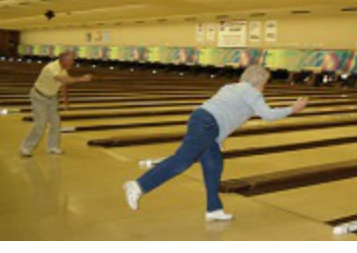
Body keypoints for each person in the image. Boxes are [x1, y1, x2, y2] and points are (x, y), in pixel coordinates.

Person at [123, 65, 309, 221]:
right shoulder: (252, 92)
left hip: (203, 122)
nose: (264, 87)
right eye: (265, 83)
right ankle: (138, 185)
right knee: (182, 161)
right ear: (259, 82)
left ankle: (214, 209)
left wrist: (216, 139)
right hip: (208, 125)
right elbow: (267, 115)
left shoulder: (230, 87)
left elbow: (224, 111)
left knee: (213, 166)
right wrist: (293, 109)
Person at [19, 50, 92, 157]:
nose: (73, 62)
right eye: (72, 60)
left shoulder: (64, 69)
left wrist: (65, 101)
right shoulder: (51, 68)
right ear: (65, 60)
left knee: (56, 123)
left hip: (51, 98)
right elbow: (61, 78)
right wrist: (82, 79)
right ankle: (26, 148)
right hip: (39, 96)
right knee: (40, 124)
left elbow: (64, 84)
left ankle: (52, 147)